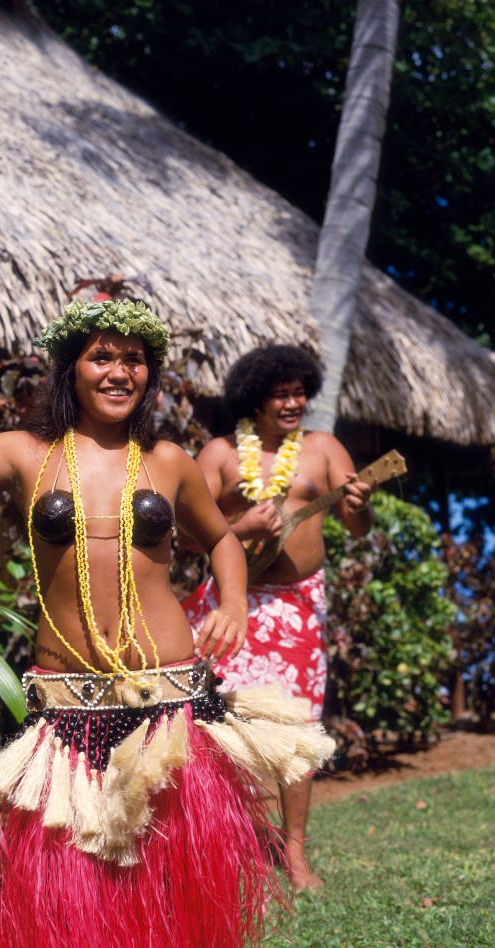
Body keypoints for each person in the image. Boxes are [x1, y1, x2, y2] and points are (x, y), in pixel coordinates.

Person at [0, 298, 334, 948]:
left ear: (150, 374)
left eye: (134, 359)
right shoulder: (25, 454)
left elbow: (223, 541)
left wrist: (232, 601)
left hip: (170, 707)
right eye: (102, 356)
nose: (119, 371)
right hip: (71, 706)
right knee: (71, 896)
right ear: (72, 369)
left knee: (172, 891)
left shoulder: (168, 460)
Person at [181, 344, 373, 893]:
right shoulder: (219, 454)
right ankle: (226, 839)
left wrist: (359, 506)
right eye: (280, 394)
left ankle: (293, 855)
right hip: (232, 600)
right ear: (254, 399)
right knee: (214, 724)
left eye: (299, 393)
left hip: (299, 606)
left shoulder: (323, 448)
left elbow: (357, 525)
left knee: (297, 729)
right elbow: (179, 533)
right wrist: (237, 531)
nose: (293, 403)